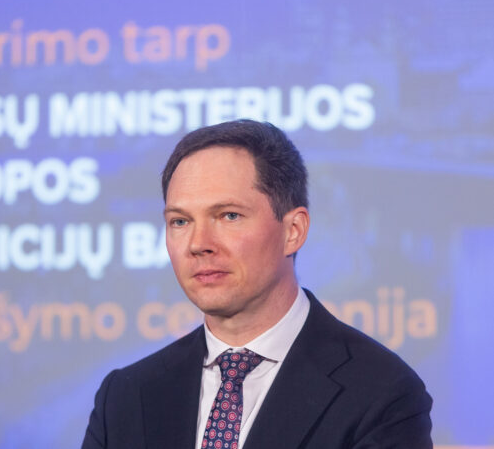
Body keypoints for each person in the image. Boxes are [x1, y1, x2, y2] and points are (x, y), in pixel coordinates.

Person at [82, 119, 432, 449]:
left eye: (228, 216)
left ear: (293, 231)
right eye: (180, 221)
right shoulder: (124, 398)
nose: (198, 243)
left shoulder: (383, 394)